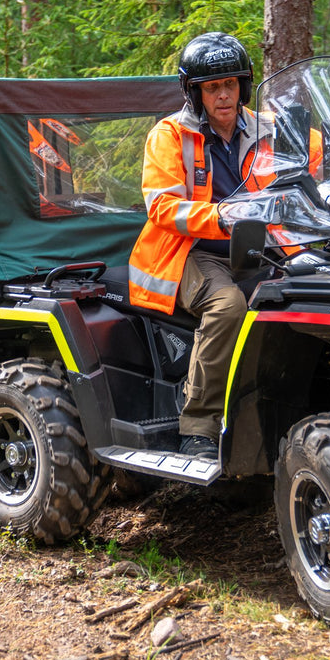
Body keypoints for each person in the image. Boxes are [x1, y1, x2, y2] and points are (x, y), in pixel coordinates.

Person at [127, 32, 260, 462]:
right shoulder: (169, 135)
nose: (224, 96)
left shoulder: (266, 128)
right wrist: (219, 218)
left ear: (244, 85)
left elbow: (319, 157)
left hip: (260, 248)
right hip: (187, 252)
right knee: (227, 305)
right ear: (194, 92)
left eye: (231, 84)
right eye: (211, 87)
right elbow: (162, 205)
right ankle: (198, 425)